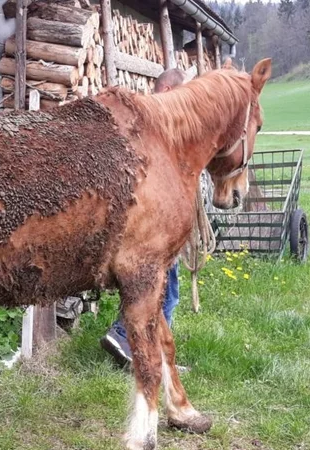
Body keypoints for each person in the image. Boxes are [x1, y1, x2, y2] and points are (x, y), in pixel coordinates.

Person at [99, 68, 189, 371]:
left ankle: (129, 338)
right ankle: (133, 342)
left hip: (148, 217)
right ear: (166, 90)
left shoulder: (144, 122)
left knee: (152, 285)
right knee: (162, 288)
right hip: (155, 221)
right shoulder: (156, 124)